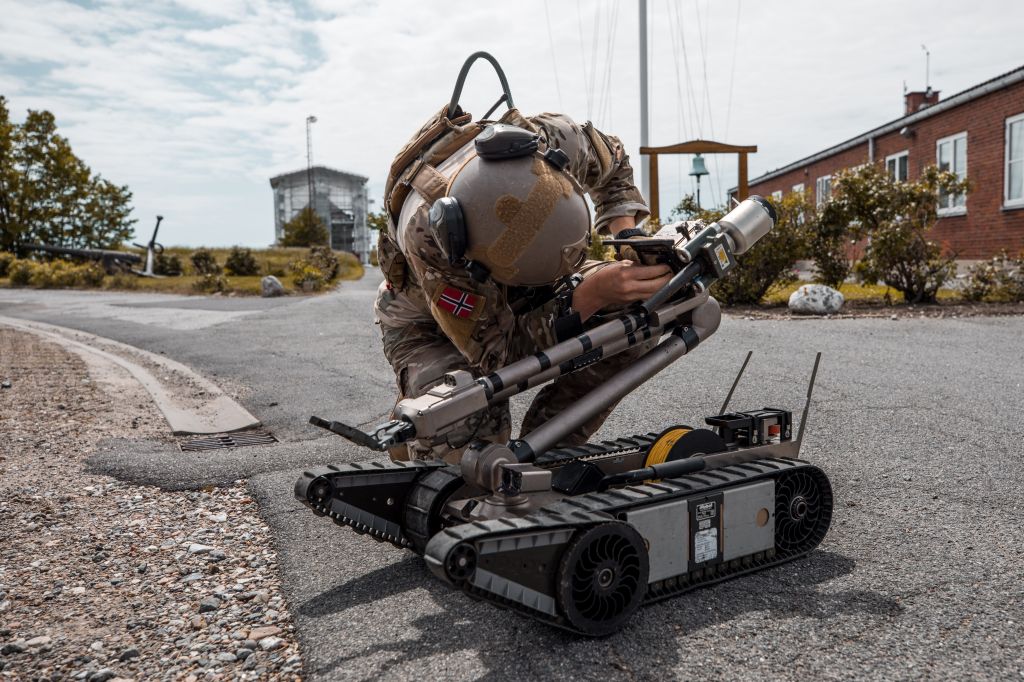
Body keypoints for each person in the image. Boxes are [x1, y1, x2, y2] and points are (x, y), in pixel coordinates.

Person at [374, 105, 672, 462]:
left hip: (532, 292)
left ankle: (550, 452)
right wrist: (591, 294)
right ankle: (419, 405)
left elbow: (614, 163)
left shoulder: (551, 143)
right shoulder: (430, 237)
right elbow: (499, 356)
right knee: (470, 436)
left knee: (638, 314)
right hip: (431, 325)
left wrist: (628, 236)